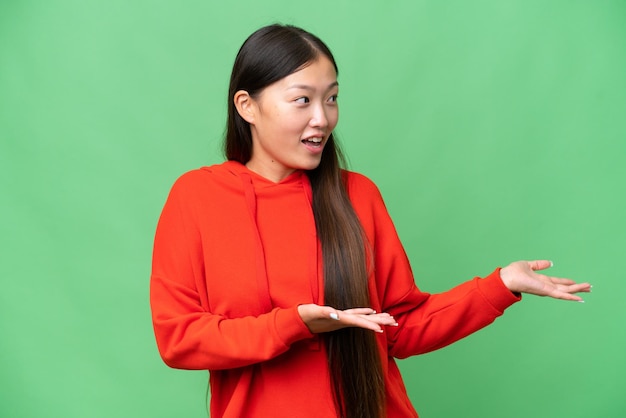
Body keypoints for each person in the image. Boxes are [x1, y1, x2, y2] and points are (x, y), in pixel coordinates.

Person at [150, 24, 591, 418]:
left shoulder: (357, 195)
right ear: (247, 106)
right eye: (302, 100)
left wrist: (501, 285)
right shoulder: (197, 196)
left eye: (332, 98)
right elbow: (180, 338)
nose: (322, 118)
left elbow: (400, 327)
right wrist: (295, 323)